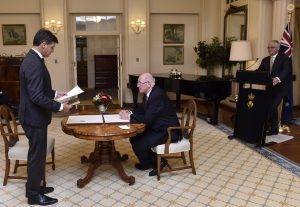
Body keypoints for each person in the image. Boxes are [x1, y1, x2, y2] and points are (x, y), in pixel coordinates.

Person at [19, 28, 72, 205]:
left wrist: (56, 93)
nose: (52, 50)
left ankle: (35, 187)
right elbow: (36, 97)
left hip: (34, 116)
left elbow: (40, 90)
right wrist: (60, 106)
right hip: (34, 118)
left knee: (38, 154)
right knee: (37, 156)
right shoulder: (34, 63)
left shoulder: (34, 59)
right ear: (43, 45)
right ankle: (34, 195)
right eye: (51, 47)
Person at [119, 73, 181, 176]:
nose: (138, 85)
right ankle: (146, 163)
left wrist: (129, 117)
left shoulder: (157, 95)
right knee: (134, 138)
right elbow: (142, 109)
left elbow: (147, 118)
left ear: (148, 84)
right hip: (158, 127)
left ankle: (161, 162)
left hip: (168, 131)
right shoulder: (149, 93)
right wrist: (129, 112)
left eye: (139, 83)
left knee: (140, 143)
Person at [257, 40, 292, 135]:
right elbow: (259, 71)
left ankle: (274, 129)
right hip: (269, 88)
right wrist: (250, 74)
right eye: (268, 47)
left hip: (281, 89)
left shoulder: (284, 58)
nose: (269, 49)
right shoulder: (265, 60)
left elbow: (286, 70)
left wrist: (277, 78)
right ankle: (267, 126)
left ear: (278, 48)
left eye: (272, 47)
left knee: (272, 106)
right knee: (266, 106)